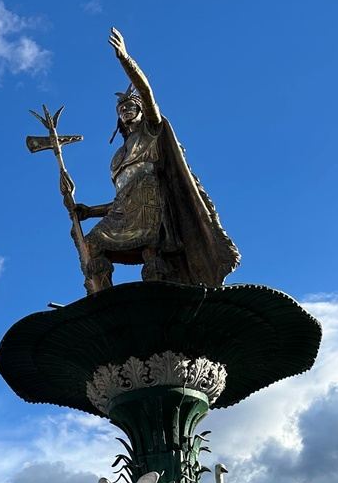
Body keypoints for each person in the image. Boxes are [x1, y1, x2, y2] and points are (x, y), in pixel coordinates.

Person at [74, 28, 240, 290]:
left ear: (141, 110)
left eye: (131, 106)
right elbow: (121, 199)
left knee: (151, 251)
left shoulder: (151, 130)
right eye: (121, 109)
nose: (126, 110)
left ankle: (159, 293)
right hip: (125, 211)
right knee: (92, 243)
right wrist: (89, 211)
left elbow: (146, 92)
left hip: (151, 204)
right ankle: (103, 297)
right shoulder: (118, 158)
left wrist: (125, 59)